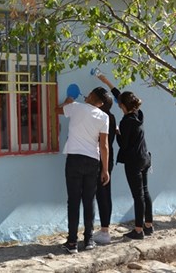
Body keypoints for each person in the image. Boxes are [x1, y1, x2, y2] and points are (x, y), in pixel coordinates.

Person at [56, 87, 112, 254]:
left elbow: (56, 110)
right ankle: (88, 240)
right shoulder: (104, 117)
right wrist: (105, 169)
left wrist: (67, 102)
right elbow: (104, 146)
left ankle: (72, 242)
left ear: (90, 96)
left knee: (73, 201)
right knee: (89, 200)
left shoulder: (75, 107)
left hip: (74, 159)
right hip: (92, 161)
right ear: (101, 103)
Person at [116, 91, 153, 240]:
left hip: (133, 162)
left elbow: (123, 145)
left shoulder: (125, 122)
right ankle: (148, 225)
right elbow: (124, 98)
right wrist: (108, 83)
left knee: (138, 196)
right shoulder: (139, 115)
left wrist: (117, 132)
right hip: (145, 158)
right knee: (145, 192)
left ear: (123, 105)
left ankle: (138, 230)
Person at [92, 72, 117, 244]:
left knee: (102, 194)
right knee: (105, 193)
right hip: (107, 157)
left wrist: (104, 168)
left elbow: (102, 144)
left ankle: (105, 231)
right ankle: (104, 229)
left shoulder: (100, 117)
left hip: (102, 157)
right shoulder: (112, 117)